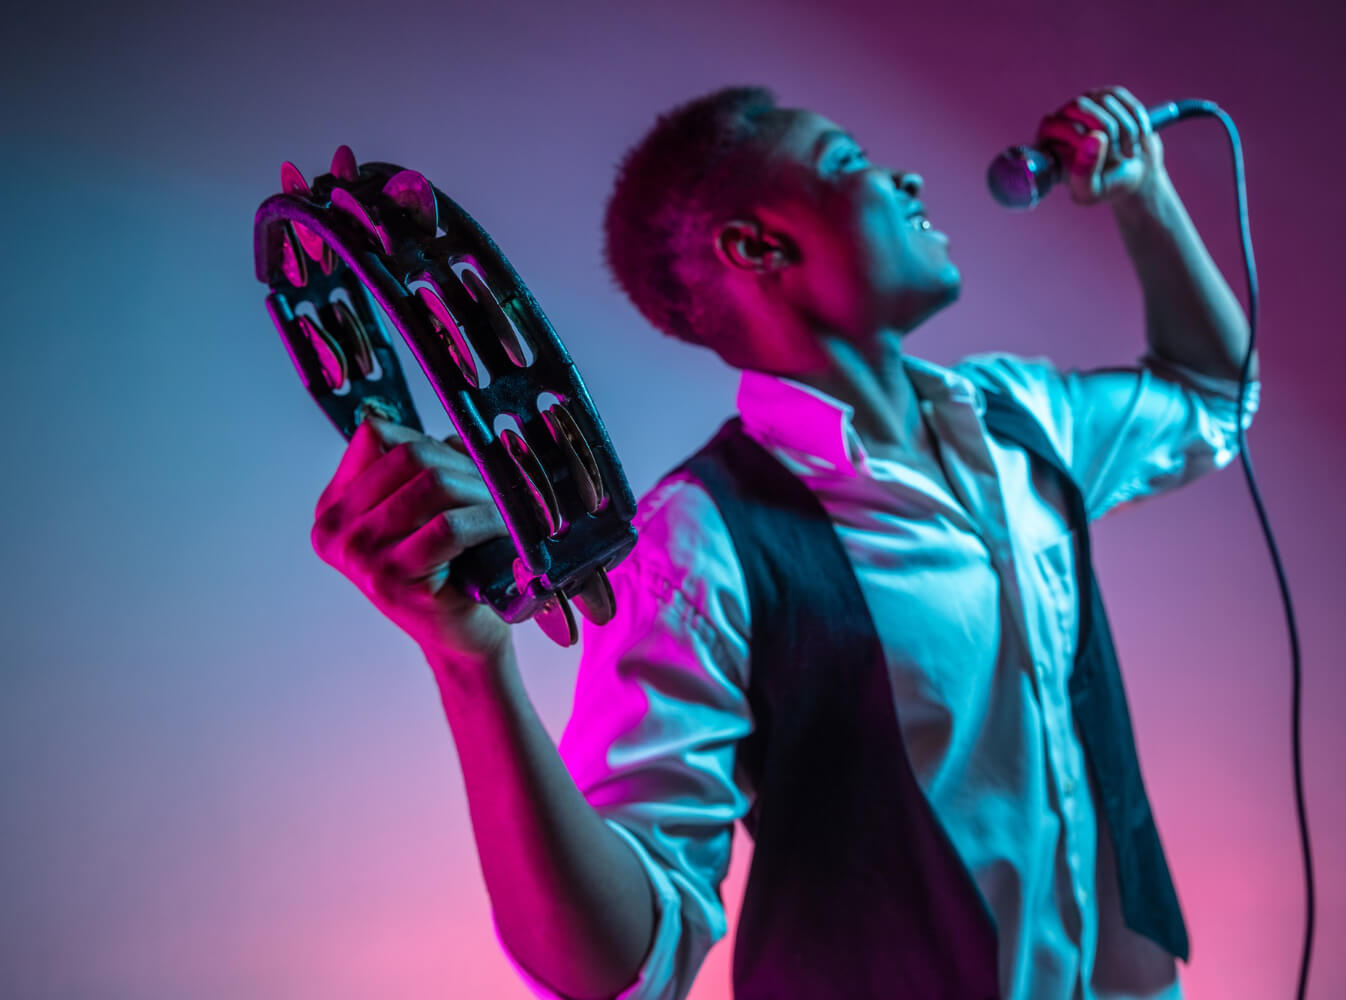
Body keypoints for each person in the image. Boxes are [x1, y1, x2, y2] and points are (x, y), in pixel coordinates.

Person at [309, 84, 1261, 1000]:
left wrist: (1147, 196)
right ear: (757, 245)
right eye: (849, 162)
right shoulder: (697, 541)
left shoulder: (1019, 417)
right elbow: (619, 964)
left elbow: (1215, 402)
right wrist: (470, 669)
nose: (908, 181)